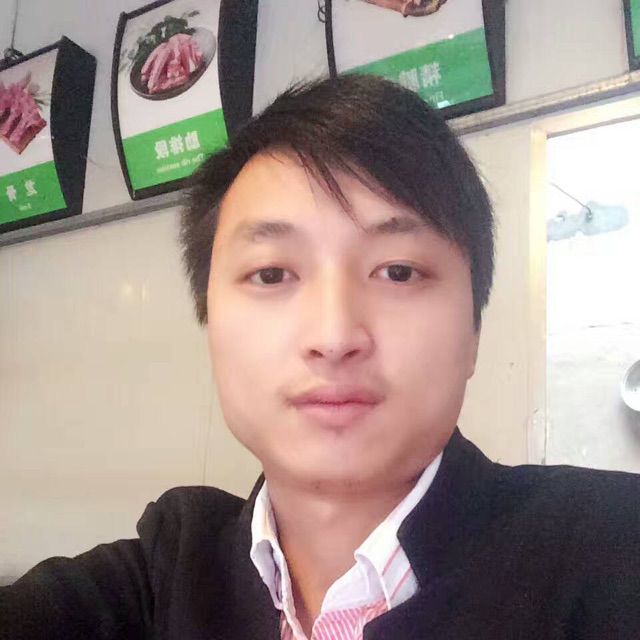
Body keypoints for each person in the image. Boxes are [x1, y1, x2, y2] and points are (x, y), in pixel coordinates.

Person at [1, 74, 639, 640]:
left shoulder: (611, 550)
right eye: (272, 274)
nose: (334, 336)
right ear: (210, 322)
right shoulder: (162, 576)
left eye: (397, 271)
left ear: (474, 330)